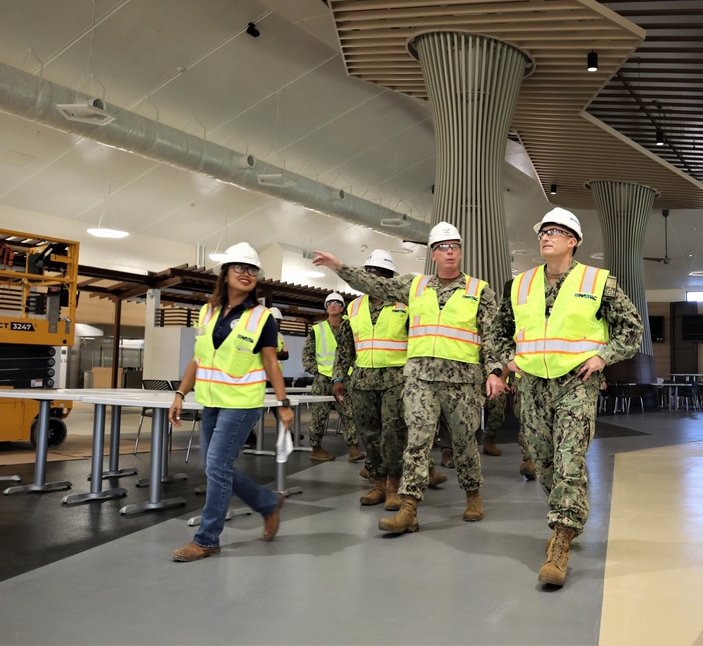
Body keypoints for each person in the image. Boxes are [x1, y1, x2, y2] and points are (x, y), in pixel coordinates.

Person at [313, 221, 503, 534]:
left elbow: (492, 335)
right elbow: (373, 285)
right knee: (416, 442)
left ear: (461, 251)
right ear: (433, 254)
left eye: (454, 246)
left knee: (465, 441)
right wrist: (339, 267)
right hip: (420, 381)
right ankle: (409, 509)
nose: (449, 252)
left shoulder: (479, 291)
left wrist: (495, 370)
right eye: (443, 247)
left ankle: (472, 496)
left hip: (463, 382)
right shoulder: (413, 287)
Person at [487, 208, 642, 587]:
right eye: (543, 231)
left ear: (573, 241)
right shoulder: (519, 284)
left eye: (555, 232)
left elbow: (632, 327)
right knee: (544, 461)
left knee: (569, 457)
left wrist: (603, 356)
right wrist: (505, 362)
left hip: (577, 383)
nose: (546, 236)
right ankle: (569, 517)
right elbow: (497, 332)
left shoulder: (599, 282)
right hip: (532, 386)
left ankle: (560, 540)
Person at [169, 242, 294, 562]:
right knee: (216, 469)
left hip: (242, 403)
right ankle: (267, 503)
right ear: (224, 274)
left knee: (216, 466)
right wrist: (181, 393)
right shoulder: (207, 311)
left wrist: (283, 403)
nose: (246, 274)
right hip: (211, 401)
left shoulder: (262, 317)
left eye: (252, 270)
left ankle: (207, 539)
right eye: (239, 268)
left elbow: (270, 364)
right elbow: (198, 360)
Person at [332, 249, 446, 509]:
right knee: (369, 435)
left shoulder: (404, 306)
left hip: (396, 380)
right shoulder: (354, 306)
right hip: (362, 381)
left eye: (379, 274)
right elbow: (345, 348)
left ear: (389, 278)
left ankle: (395, 486)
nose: (373, 278)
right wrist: (338, 377)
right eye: (369, 273)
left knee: (393, 434)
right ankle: (378, 485)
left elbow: (419, 341)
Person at [302, 292, 364, 462]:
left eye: (337, 302)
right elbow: (307, 355)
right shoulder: (317, 329)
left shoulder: (351, 327)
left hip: (345, 378)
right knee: (319, 414)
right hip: (323, 378)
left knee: (349, 412)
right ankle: (316, 448)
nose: (333, 305)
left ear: (343, 307)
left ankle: (353, 448)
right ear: (326, 307)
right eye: (330, 303)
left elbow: (357, 351)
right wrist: (317, 371)